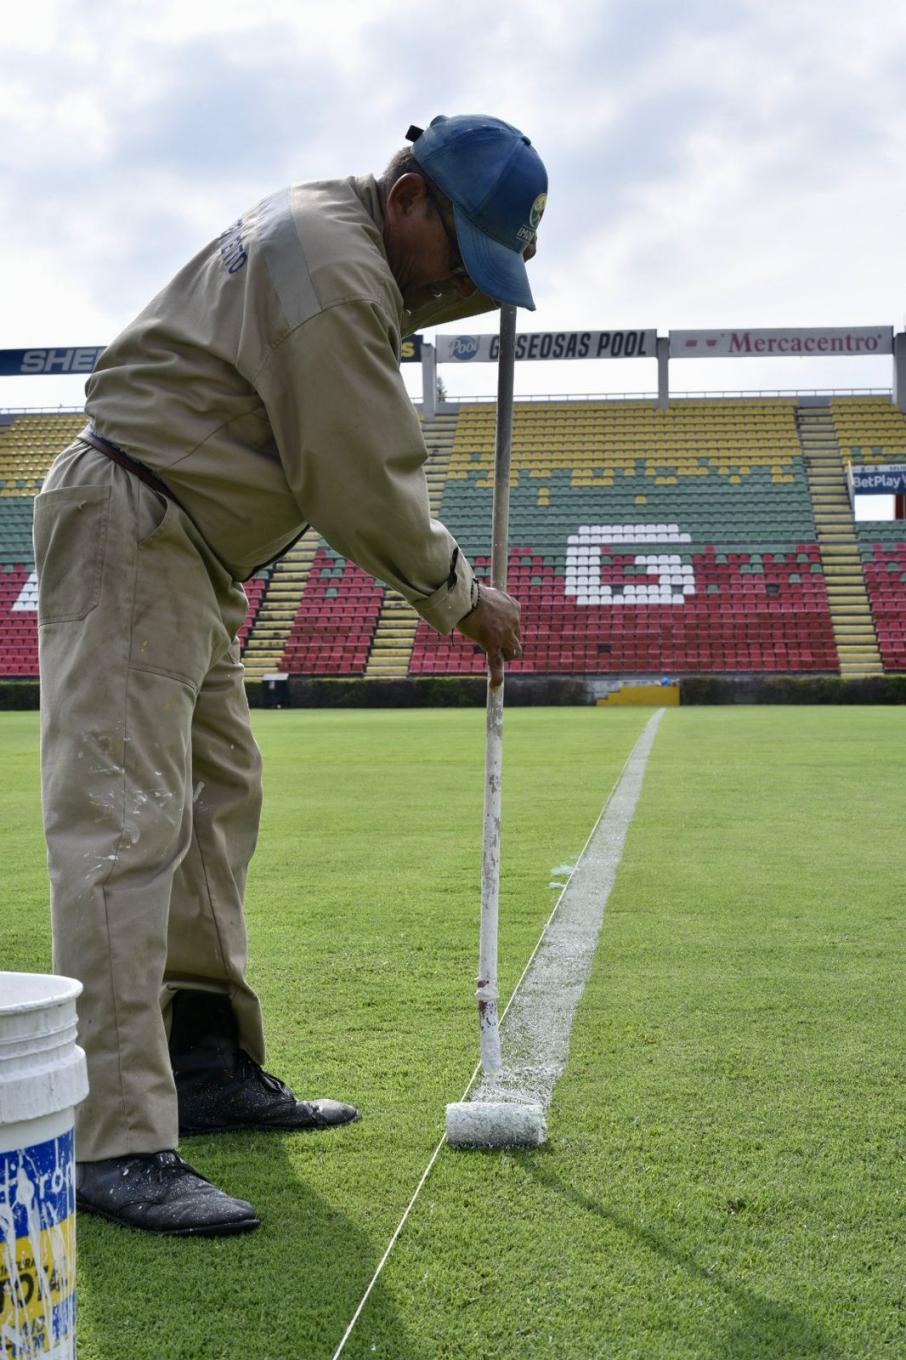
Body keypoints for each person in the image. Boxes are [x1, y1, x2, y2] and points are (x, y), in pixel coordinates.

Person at [34, 115, 548, 1236]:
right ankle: (113, 1138)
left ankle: (204, 1057)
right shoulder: (335, 265)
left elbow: (351, 414)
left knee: (219, 797)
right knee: (124, 825)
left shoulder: (341, 239)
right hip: (135, 522)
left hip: (186, 544)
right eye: (463, 257)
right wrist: (463, 597)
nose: (464, 285)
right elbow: (356, 480)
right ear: (408, 197)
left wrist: (469, 280)